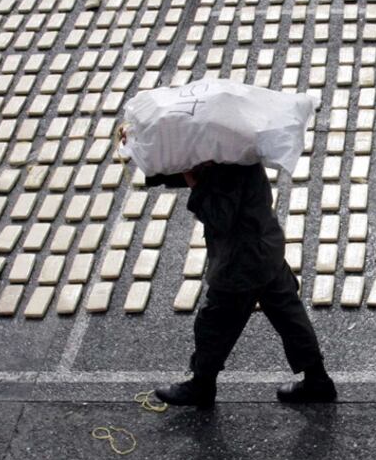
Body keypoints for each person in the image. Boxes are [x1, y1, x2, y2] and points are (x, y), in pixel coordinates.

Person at [140, 159, 336, 409]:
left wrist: (190, 175)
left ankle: (202, 385)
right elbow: (207, 177)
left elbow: (218, 217)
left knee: (213, 325)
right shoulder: (238, 151)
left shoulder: (230, 165)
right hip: (266, 249)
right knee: (289, 315)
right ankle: (317, 379)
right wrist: (152, 160)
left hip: (241, 262)